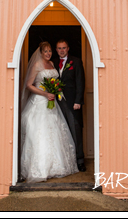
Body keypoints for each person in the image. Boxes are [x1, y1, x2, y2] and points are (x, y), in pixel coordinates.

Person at [20, 41, 78, 182]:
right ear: (40, 53)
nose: (48, 53)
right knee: (41, 132)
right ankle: (40, 167)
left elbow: (55, 81)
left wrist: (54, 90)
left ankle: (57, 166)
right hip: (40, 102)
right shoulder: (36, 65)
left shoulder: (52, 64)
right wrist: (45, 94)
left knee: (55, 131)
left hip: (52, 102)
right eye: (45, 51)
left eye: (50, 51)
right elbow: (29, 85)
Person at [53, 39, 86, 172]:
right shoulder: (53, 63)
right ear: (56, 49)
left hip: (72, 103)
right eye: (59, 48)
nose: (61, 50)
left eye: (64, 48)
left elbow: (80, 82)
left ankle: (80, 161)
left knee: (75, 130)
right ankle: (67, 161)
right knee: (61, 132)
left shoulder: (76, 62)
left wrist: (78, 101)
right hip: (57, 102)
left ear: (68, 48)